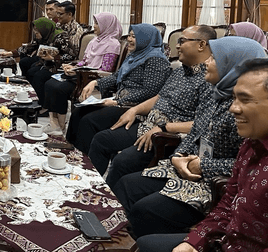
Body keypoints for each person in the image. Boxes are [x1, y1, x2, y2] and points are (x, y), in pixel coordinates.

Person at [113, 37, 267, 239]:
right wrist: (178, 156)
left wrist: (202, 166)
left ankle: (137, 243)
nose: (206, 62)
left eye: (213, 58)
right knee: (127, 184)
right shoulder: (214, 94)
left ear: (233, 64)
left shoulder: (248, 114)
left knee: (145, 209)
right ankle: (113, 237)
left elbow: (246, 165)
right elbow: (194, 133)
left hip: (210, 184)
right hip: (186, 168)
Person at [134, 58, 268, 252]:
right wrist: (196, 243)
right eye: (234, 98)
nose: (233, 108)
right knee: (145, 249)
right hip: (227, 245)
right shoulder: (251, 144)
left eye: (245, 100)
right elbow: (228, 203)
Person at [88, 25, 216, 188]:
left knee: (122, 162)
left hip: (168, 137)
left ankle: (109, 199)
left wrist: (164, 128)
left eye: (182, 41)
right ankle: (89, 187)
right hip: (149, 124)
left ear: (201, 45)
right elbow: (159, 97)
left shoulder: (210, 78)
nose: (177, 46)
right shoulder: (180, 71)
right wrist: (134, 110)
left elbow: (204, 124)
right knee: (101, 140)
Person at [67, 23, 171, 154]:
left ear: (145, 39)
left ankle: (84, 159)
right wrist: (95, 82)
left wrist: (118, 102)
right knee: (78, 112)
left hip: (135, 107)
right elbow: (117, 76)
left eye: (134, 37)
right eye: (129, 36)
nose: (129, 39)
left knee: (89, 121)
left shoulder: (156, 60)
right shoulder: (134, 55)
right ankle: (69, 152)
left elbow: (149, 92)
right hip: (119, 100)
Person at [42, 12, 122, 135]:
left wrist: (79, 71)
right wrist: (73, 67)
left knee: (59, 88)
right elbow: (84, 61)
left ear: (106, 25)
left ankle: (60, 126)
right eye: (94, 23)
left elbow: (106, 69)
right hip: (80, 75)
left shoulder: (113, 44)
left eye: (97, 23)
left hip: (90, 79)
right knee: (49, 83)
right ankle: (55, 123)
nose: (94, 26)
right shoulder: (94, 41)